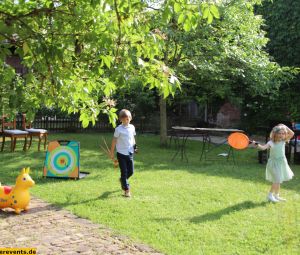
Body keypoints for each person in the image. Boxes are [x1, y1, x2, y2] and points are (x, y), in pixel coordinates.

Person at [256, 124, 294, 202]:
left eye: (283, 133)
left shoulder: (283, 141)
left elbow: (292, 133)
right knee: (276, 180)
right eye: (279, 133)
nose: (281, 135)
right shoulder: (271, 142)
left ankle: (276, 196)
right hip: (273, 164)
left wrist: (284, 126)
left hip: (281, 163)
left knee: (278, 180)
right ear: (275, 134)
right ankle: (270, 195)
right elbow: (263, 147)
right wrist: (257, 144)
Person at [110, 109, 136, 197]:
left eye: (128, 118)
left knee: (131, 172)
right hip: (121, 154)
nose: (127, 120)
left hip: (130, 153)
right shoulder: (118, 129)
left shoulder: (132, 127)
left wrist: (135, 147)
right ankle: (126, 190)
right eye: (124, 119)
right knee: (124, 172)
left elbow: (132, 138)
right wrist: (111, 152)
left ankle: (122, 180)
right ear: (121, 119)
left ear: (130, 118)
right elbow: (114, 141)